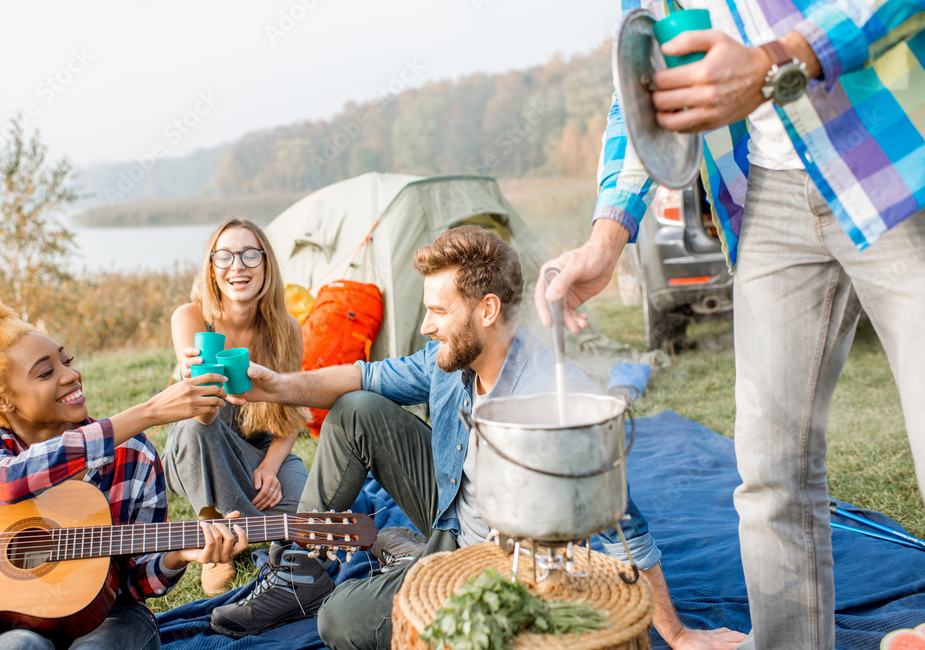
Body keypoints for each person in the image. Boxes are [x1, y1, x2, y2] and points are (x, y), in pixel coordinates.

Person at [537, 0, 925, 648]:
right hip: (766, 194)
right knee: (771, 472)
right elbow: (639, 95)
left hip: (892, 152)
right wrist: (607, 235)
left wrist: (778, 59)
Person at [208, 226, 745, 650]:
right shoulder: (448, 361)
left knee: (340, 620)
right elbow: (361, 376)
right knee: (356, 410)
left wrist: (675, 633)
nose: (425, 326)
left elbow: (623, 519)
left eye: (438, 311)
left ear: (487, 310)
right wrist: (276, 387)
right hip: (448, 512)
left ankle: (412, 563)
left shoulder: (552, 397)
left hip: (497, 561)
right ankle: (301, 572)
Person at [0, 295, 248, 650]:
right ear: (3, 402)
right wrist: (147, 412)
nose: (70, 375)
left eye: (67, 361)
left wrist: (179, 554)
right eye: (47, 372)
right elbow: (5, 482)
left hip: (108, 614)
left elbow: (133, 581)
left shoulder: (133, 454)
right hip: (6, 621)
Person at [163, 218, 310, 595]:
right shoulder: (192, 318)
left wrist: (271, 466)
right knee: (200, 428)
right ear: (212, 269)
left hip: (255, 451)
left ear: (266, 265)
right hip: (196, 444)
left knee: (309, 514)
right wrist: (198, 380)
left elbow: (292, 410)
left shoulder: (287, 329)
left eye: (249, 255)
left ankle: (238, 514)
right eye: (224, 256)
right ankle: (217, 546)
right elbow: (197, 418)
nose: (237, 266)